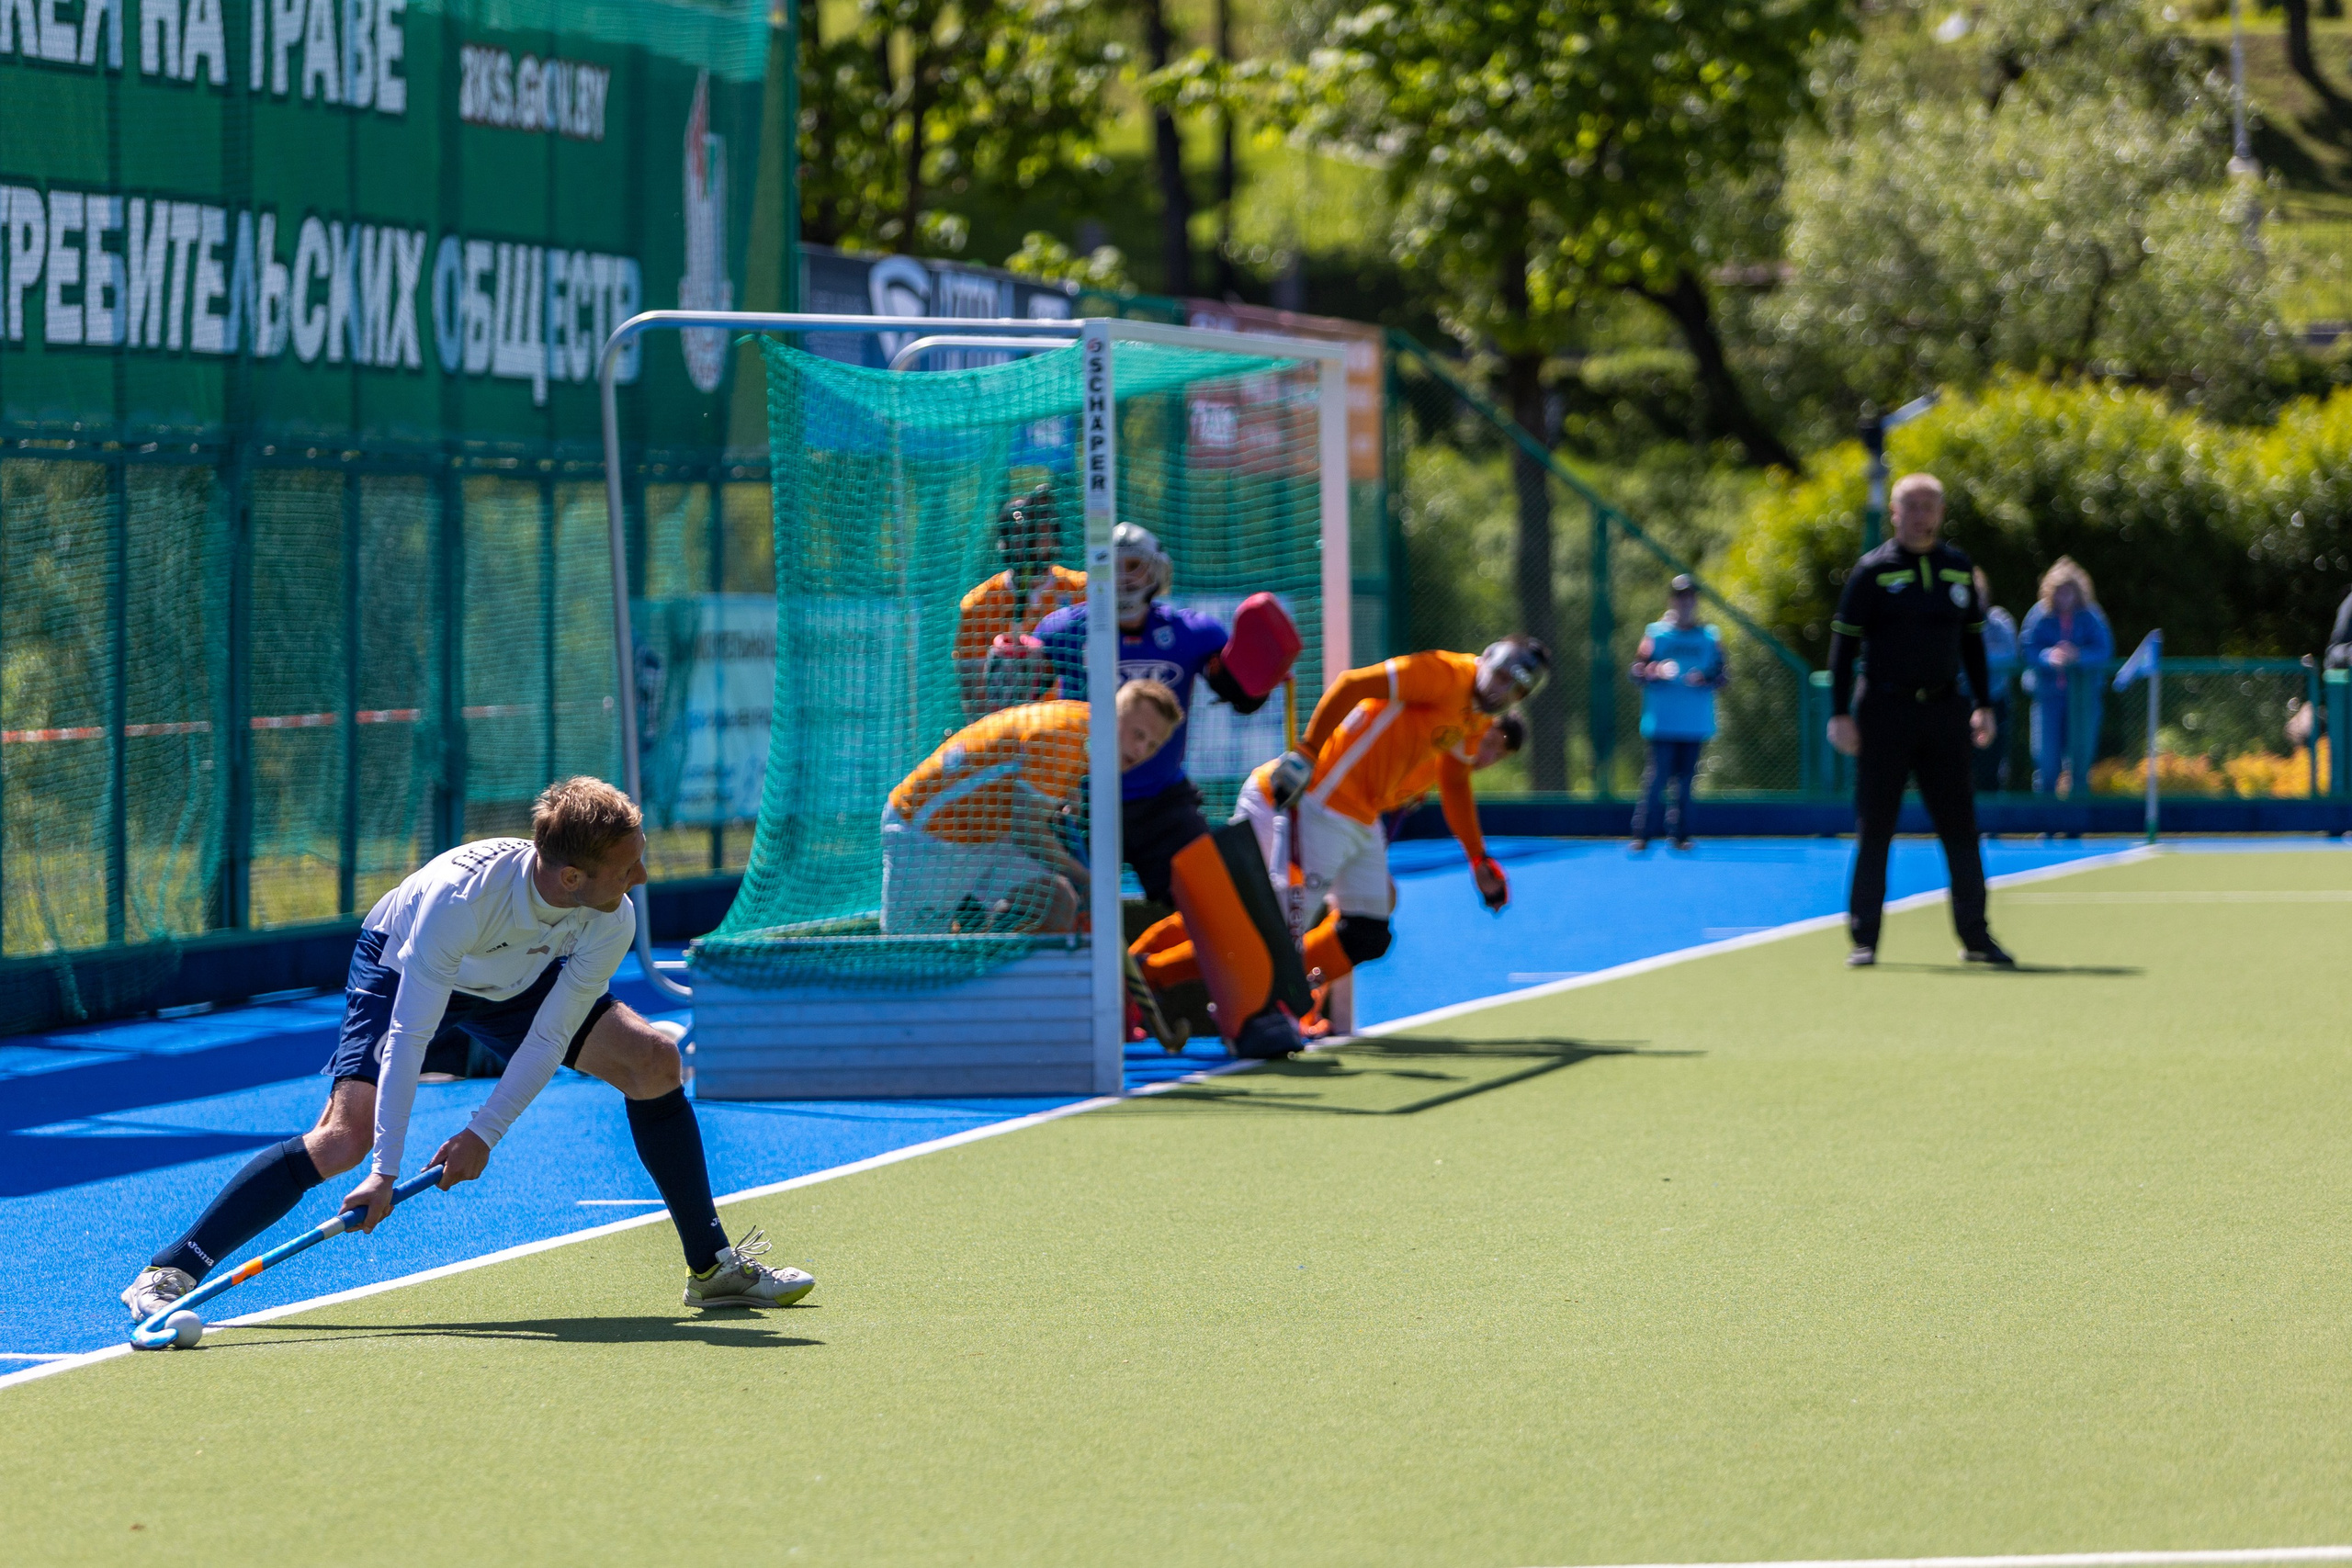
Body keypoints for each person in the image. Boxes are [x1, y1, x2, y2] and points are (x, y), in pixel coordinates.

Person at [120, 778, 815, 1325]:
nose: (642, 874)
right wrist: (385, 1171)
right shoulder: (461, 899)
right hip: (405, 963)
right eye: (628, 864)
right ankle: (171, 1269)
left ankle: (711, 1268)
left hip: (519, 976)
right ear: (572, 877)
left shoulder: (612, 914)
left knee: (653, 1061)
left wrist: (483, 1133)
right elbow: (410, 1036)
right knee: (344, 1140)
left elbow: (548, 1036)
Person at [1131, 645, 1537, 1013]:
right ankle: (1146, 976)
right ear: (1487, 658)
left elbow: (1455, 783)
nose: (1502, 690)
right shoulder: (1443, 674)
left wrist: (1477, 857)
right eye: (1501, 675)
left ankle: (1277, 983)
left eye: (1515, 690)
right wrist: (1308, 751)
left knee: (1367, 932)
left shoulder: (1480, 716)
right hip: (1317, 798)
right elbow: (1351, 684)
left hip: (1360, 817)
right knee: (1258, 922)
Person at [1826, 472, 2013, 969]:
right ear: (1894, 513)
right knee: (1876, 827)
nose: (1920, 515)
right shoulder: (1873, 571)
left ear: (1941, 513)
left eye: (1929, 506)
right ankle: (1865, 938)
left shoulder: (1957, 569)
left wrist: (1982, 705)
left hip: (1945, 712)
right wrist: (1839, 713)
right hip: (1884, 712)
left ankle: (1975, 936)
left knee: (1961, 827)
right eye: (1911, 506)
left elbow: (1972, 642)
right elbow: (1843, 646)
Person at [1032, 523, 1273, 905]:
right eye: (1113, 566)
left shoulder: (1192, 633)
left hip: (1162, 801)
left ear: (1156, 571)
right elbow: (1019, 699)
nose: (1123, 577)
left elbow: (1241, 698)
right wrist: (1014, 666)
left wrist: (1257, 677)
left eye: (1133, 565)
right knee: (1057, 906)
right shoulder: (1064, 631)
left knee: (1214, 905)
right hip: (1081, 802)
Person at [879, 681, 1182, 935]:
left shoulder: (1087, 729)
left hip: (987, 836)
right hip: (928, 833)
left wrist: (1066, 798)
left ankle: (1000, 976)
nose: (1141, 750)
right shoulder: (1063, 738)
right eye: (1138, 734)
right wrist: (1089, 879)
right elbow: (1027, 832)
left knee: (1057, 905)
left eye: (1152, 745)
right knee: (911, 957)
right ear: (1114, 715)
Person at [954, 484, 1085, 717]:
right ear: (1005, 542)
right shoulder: (979, 604)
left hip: (1070, 721)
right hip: (1009, 726)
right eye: (1019, 534)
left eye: (1041, 531)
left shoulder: (1084, 591)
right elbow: (973, 691)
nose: (1031, 541)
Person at [1627, 575, 1724, 852]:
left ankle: (1680, 834)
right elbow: (1636, 671)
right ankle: (1643, 834)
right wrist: (1655, 671)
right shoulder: (1656, 634)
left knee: (1686, 782)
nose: (1685, 603)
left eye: (1690, 597)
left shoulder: (1709, 636)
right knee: (1657, 778)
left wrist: (1705, 678)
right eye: (1680, 597)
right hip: (1663, 722)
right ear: (1672, 601)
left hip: (1694, 723)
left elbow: (1723, 674)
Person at [2018, 558, 2113, 796]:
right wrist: (2048, 656)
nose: (2064, 597)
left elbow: (2104, 650)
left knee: (2080, 762)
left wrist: (2077, 655)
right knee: (2046, 761)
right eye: (2059, 591)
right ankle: (2046, 816)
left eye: (2068, 591)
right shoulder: (2039, 615)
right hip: (2048, 697)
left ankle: (2077, 816)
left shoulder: (2091, 615)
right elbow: (2027, 647)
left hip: (2083, 698)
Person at [1969, 567, 2020, 795]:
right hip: (1961, 701)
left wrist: (1975, 657)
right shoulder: (1951, 624)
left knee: (1992, 767)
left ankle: (1990, 817)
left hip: (1995, 701)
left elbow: (2011, 655)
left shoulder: (2000, 622)